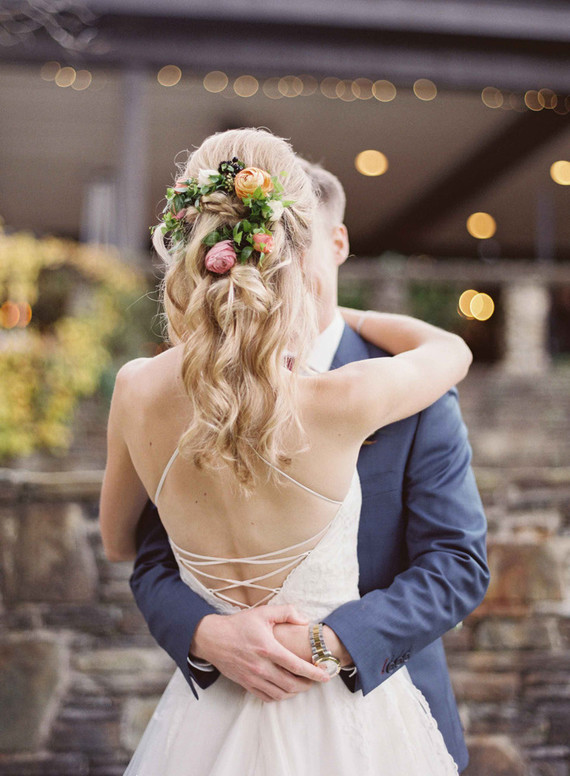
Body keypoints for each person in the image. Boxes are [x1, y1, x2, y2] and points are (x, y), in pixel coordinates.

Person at [100, 128, 488, 775]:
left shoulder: (139, 388)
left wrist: (334, 643)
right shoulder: (364, 394)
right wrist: (205, 634)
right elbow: (148, 555)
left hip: (369, 698)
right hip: (277, 712)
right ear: (299, 245)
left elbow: (457, 562)